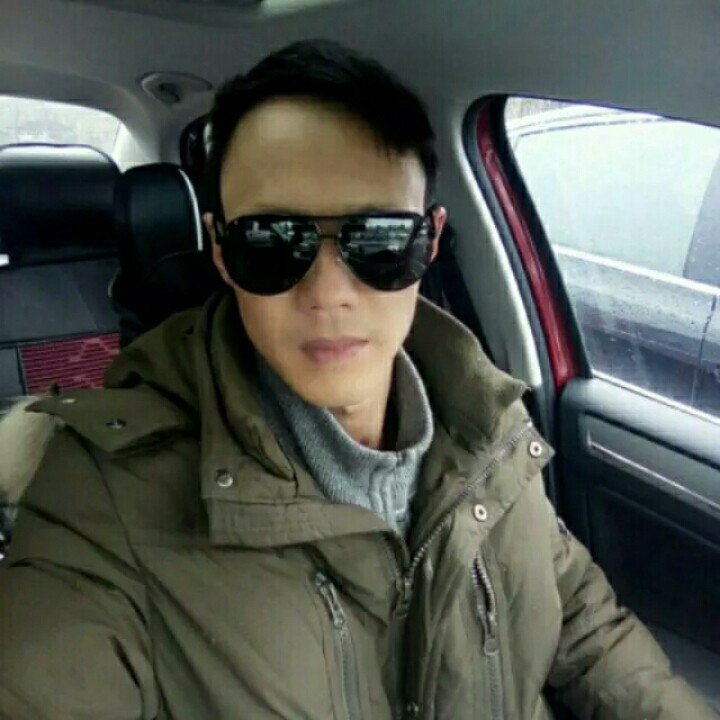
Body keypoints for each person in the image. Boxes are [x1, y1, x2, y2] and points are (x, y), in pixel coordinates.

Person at [0, 40, 714, 720]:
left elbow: (584, 627)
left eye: (379, 239)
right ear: (220, 253)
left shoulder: (488, 419)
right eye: (272, 243)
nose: (328, 293)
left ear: (430, 241)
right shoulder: (104, 495)